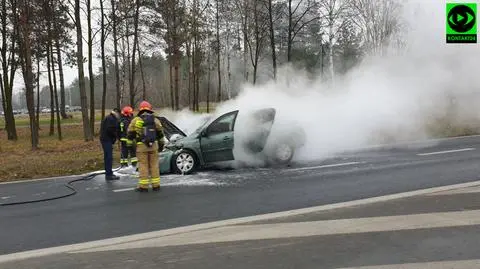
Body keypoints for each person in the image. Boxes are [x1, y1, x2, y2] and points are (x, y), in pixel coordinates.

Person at [127, 101, 165, 192]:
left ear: (140, 109)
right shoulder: (155, 120)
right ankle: (156, 185)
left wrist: (129, 146)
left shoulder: (136, 120)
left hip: (141, 147)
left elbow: (130, 134)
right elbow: (161, 134)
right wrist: (161, 145)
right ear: (149, 109)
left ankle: (144, 187)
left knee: (143, 165)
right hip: (154, 146)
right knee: (154, 165)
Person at [100, 108, 121, 181]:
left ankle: (108, 172)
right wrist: (115, 136)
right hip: (107, 140)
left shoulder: (109, 118)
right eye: (119, 114)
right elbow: (110, 129)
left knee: (107, 157)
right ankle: (109, 174)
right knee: (109, 157)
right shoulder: (111, 119)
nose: (119, 116)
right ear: (116, 112)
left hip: (105, 139)